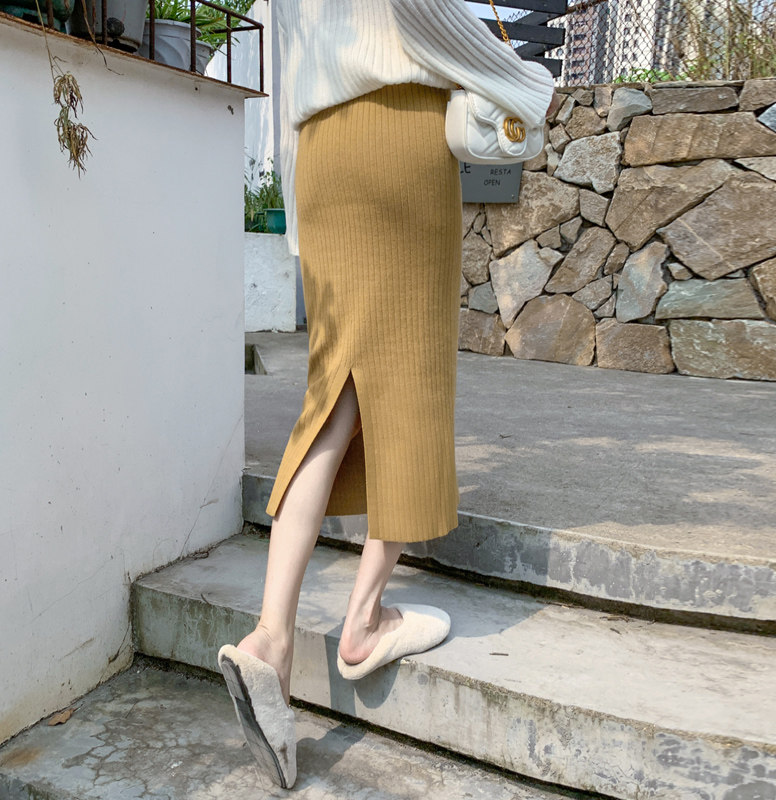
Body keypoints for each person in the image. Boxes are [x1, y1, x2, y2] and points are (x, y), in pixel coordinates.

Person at [218, 0, 558, 789]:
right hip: (396, 138)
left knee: (335, 393)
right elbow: (422, 9)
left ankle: (270, 637)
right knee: (411, 384)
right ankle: (364, 620)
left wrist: (299, 211)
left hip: (321, 156)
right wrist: (524, 83)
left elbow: (293, 56)